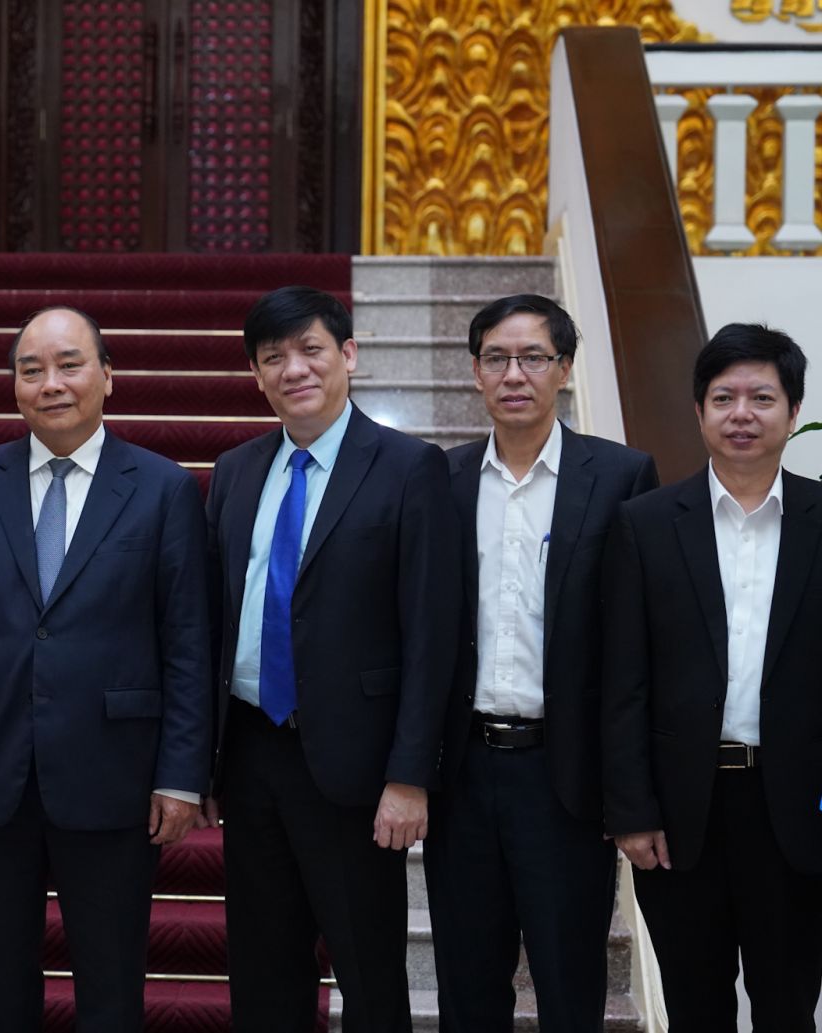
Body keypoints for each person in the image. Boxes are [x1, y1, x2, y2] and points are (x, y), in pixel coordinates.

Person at [0, 307, 211, 1033]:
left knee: (111, 987)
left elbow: (187, 643)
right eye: (31, 369)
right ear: (14, 385)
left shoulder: (163, 488)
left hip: (114, 773)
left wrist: (180, 775)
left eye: (70, 365)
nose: (51, 383)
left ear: (108, 376)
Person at [204, 286, 459, 1032]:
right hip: (250, 751)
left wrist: (410, 774)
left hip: (356, 765)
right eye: (273, 357)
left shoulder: (409, 467)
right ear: (257, 374)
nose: (294, 369)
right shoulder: (236, 470)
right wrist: (203, 761)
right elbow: (212, 620)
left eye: (311, 350)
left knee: (369, 974)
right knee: (262, 972)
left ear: (347, 354)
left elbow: (431, 632)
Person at [424, 294, 658, 1032]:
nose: (514, 374)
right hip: (462, 773)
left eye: (533, 357)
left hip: (566, 778)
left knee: (569, 981)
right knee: (467, 985)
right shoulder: (442, 477)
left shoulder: (620, 476)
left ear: (564, 368)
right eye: (496, 358)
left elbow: (636, 647)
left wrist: (629, 795)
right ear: (475, 372)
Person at [603, 323, 822, 1032]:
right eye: (724, 398)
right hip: (679, 817)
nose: (741, 414)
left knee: (787, 1005)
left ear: (793, 410)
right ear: (698, 411)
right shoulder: (645, 524)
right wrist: (632, 810)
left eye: (763, 397)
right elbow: (623, 678)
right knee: (695, 1008)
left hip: (796, 812)